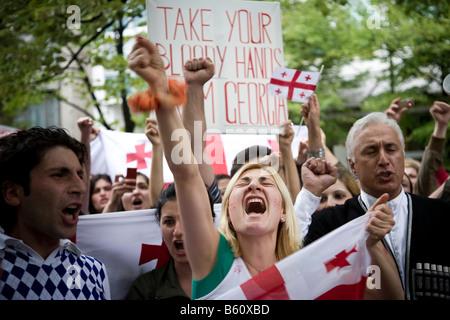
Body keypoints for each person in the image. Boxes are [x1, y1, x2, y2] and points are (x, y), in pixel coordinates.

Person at [127, 35, 402, 300]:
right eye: (243, 184)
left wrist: (373, 245)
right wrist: (161, 89)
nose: (254, 185)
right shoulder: (214, 260)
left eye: (266, 182)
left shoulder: (308, 266)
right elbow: (187, 169)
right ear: (227, 213)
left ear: (284, 211)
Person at [304, 112, 450, 300]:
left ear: (402, 156)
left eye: (391, 149)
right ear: (353, 166)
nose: (383, 160)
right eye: (371, 151)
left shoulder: (442, 215)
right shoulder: (328, 225)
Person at [0, 126, 110, 299]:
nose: (80, 187)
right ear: (13, 192)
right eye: (59, 175)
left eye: (80, 175)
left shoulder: (94, 271)